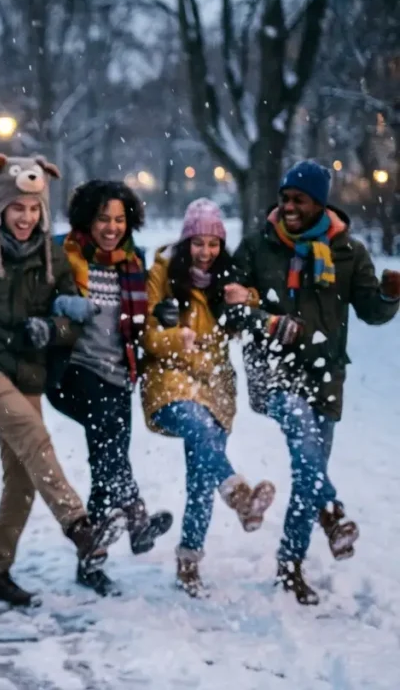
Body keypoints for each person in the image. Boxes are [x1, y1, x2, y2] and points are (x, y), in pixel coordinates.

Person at [0, 153, 126, 607]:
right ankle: (81, 527)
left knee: (23, 477)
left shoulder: (53, 258)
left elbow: (71, 318)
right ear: (0, 207)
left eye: (34, 208)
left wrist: (52, 329)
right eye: (17, 208)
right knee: (32, 433)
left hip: (25, 369)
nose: (26, 217)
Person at [233, 160, 399, 604]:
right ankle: (333, 513)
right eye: (284, 198)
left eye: (297, 200)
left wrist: (389, 295)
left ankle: (291, 566)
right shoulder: (257, 247)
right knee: (306, 451)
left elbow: (370, 311)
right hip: (272, 370)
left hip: (326, 374)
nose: (287, 206)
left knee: (306, 475)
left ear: (318, 204)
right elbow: (228, 306)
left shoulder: (348, 252)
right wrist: (268, 324)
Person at [140, 199, 276, 597]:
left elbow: (254, 314)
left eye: (213, 244)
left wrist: (245, 299)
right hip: (169, 378)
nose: (205, 252)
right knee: (199, 429)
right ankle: (238, 494)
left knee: (201, 478)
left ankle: (189, 563)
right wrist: (174, 338)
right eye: (198, 243)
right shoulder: (164, 274)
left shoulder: (227, 280)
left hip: (215, 384)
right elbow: (146, 335)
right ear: (186, 243)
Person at [44, 179, 172, 595]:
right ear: (87, 219)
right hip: (74, 371)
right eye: (103, 218)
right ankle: (136, 514)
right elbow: (44, 299)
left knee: (107, 459)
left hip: (120, 374)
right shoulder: (65, 255)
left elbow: (147, 313)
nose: (112, 227)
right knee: (109, 446)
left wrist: (165, 313)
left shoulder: (134, 263)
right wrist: (61, 306)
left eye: (119, 219)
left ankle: (92, 562)